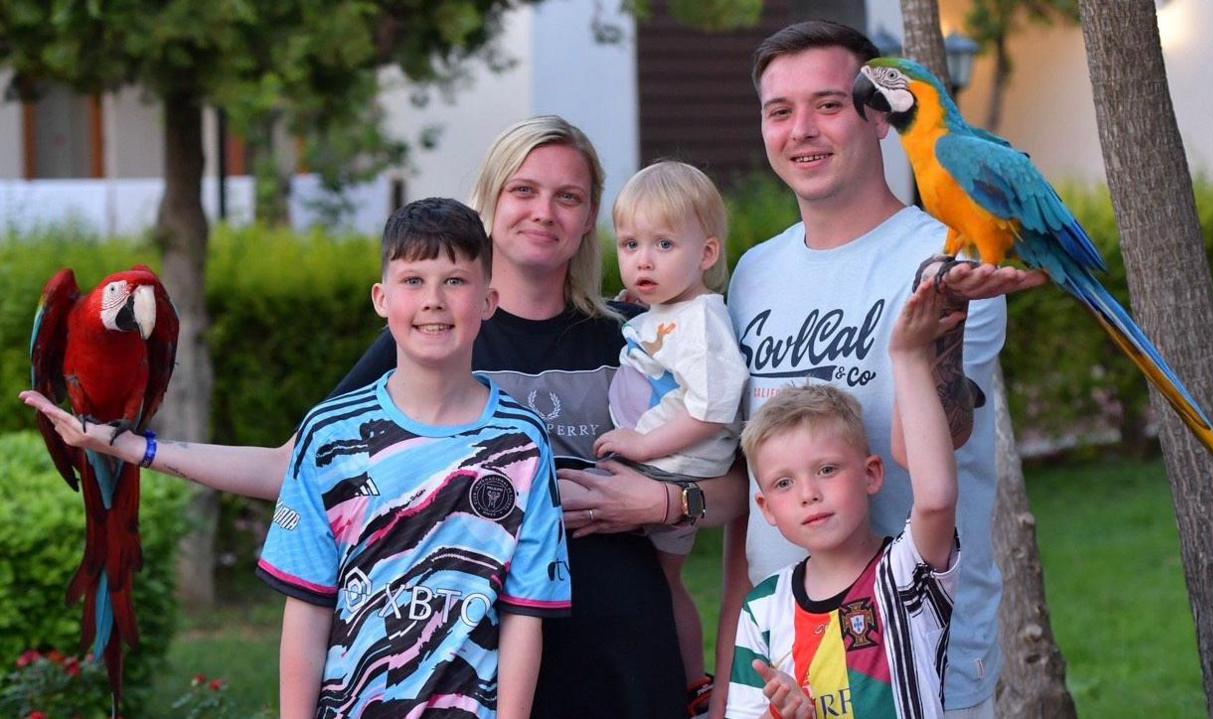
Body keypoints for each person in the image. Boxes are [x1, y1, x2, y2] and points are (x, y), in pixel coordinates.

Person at [23, 115, 747, 719]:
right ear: (490, 201)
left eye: (569, 196)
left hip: (621, 660)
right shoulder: (436, 333)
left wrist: (656, 500)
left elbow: (737, 487)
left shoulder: (639, 336)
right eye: (523, 190)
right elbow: (300, 463)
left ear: (591, 215)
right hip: (469, 673)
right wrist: (138, 447)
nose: (545, 211)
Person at [712, 20, 1046, 719]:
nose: (802, 129)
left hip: (915, 653)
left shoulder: (946, 260)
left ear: (879, 118)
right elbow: (753, 495)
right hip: (782, 659)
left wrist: (924, 341)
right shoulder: (752, 275)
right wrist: (729, 677)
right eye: (780, 111)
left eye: (828, 105)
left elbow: (943, 440)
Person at [257, 197, 567, 717]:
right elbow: (307, 610)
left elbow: (523, 617)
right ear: (381, 298)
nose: (434, 300)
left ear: (489, 300)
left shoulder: (523, 443)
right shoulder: (329, 436)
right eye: (413, 280)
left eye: (455, 281)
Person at [726, 279, 963, 719]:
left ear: (871, 474)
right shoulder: (762, 609)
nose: (809, 494)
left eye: (827, 470)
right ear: (766, 510)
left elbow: (936, 499)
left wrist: (908, 356)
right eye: (783, 484)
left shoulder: (904, 574)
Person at [584, 160, 748, 704]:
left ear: (705, 254)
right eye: (630, 245)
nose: (642, 260)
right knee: (658, 579)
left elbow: (713, 409)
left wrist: (641, 445)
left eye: (663, 246)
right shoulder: (669, 311)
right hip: (656, 461)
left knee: (661, 581)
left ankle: (687, 683)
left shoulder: (702, 321)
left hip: (670, 467)